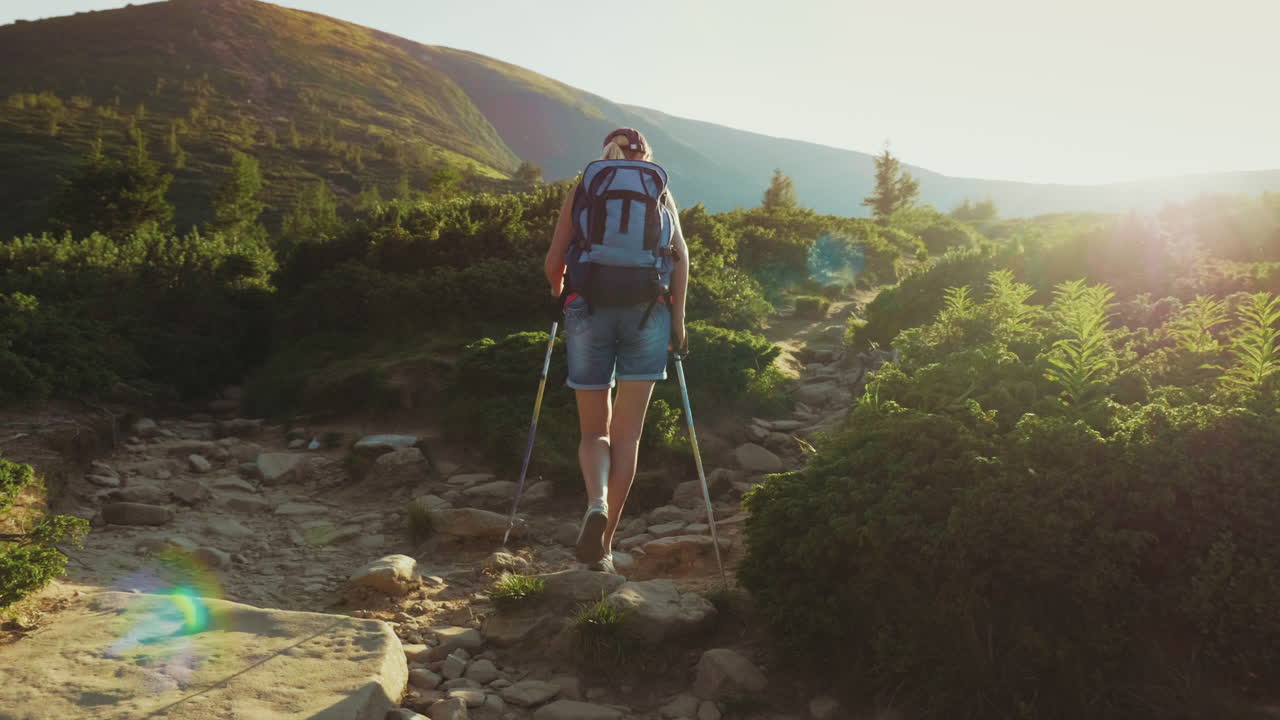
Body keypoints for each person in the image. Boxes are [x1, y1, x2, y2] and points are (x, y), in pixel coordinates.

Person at [543, 128, 689, 573]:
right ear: (647, 154)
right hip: (649, 314)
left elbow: (554, 262)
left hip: (588, 311)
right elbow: (681, 259)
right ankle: (604, 549)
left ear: (605, 152)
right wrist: (678, 323)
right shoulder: (660, 191)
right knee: (628, 437)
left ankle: (596, 501)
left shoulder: (586, 187)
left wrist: (560, 293)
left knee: (594, 434)